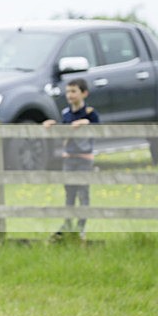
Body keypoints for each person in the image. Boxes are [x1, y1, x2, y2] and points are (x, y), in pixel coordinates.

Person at [43, 78, 100, 240]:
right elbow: (64, 130)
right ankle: (67, 225)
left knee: (83, 193)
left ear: (84, 93)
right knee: (69, 193)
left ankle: (81, 228)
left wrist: (85, 123)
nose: (70, 95)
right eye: (68, 91)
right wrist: (51, 126)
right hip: (69, 158)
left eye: (74, 91)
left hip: (84, 158)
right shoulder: (66, 114)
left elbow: (98, 128)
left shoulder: (90, 113)